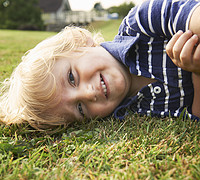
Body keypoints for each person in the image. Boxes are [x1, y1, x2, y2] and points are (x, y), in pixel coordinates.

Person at [1, 0, 200, 130]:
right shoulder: (133, 112)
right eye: (80, 108)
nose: (88, 94)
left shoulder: (140, 25)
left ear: (80, 42)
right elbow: (195, 117)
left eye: (72, 78)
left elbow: (193, 15)